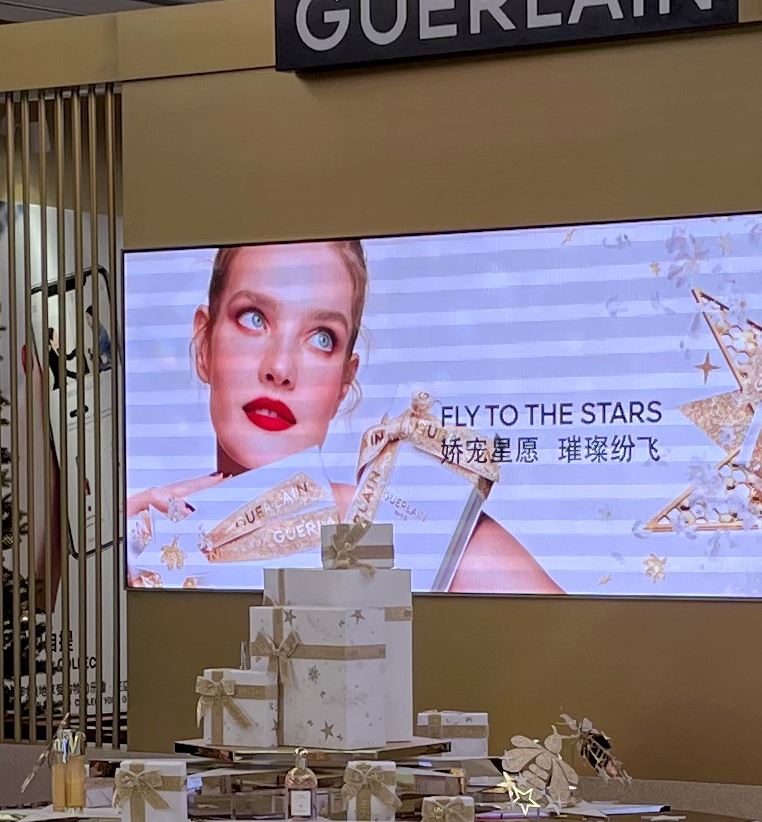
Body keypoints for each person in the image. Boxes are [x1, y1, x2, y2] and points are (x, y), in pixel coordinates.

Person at [137, 237, 554, 592]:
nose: (279, 368)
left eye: (322, 338)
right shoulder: (142, 534)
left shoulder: (414, 534)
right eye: (254, 318)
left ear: (343, 382)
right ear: (204, 344)